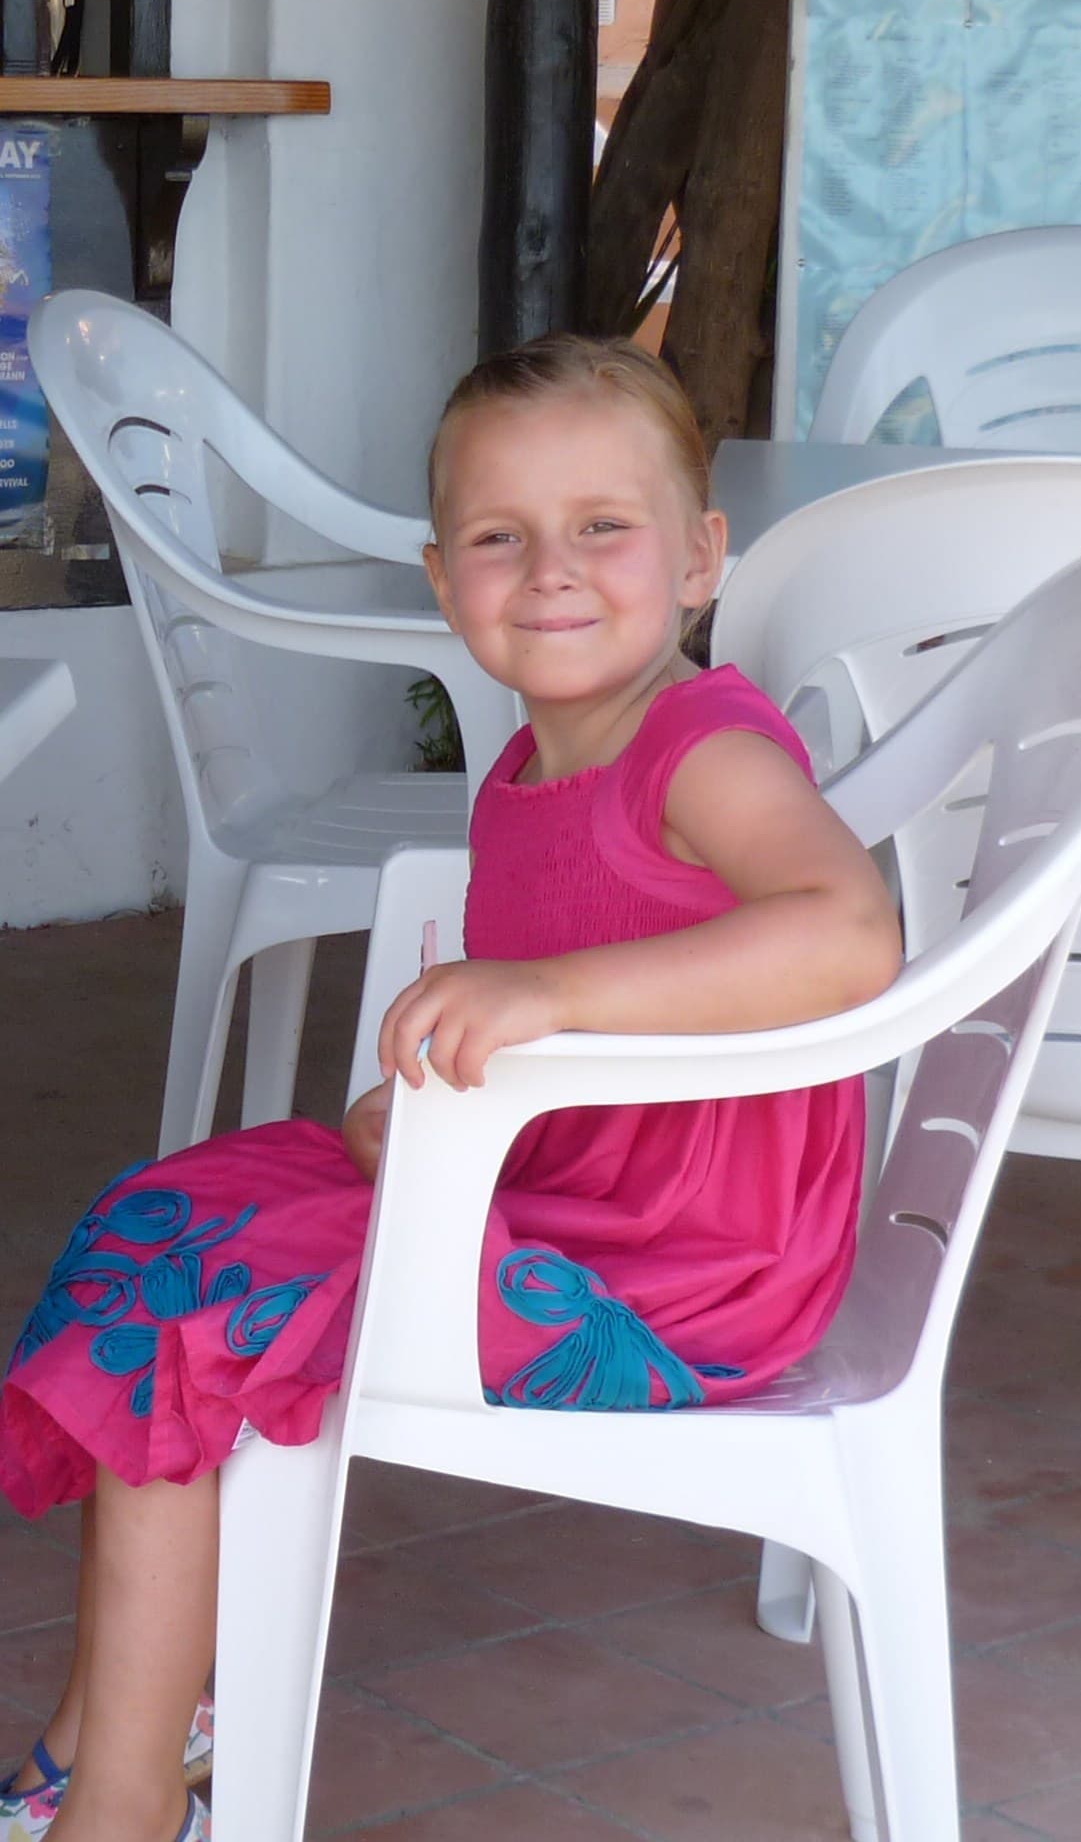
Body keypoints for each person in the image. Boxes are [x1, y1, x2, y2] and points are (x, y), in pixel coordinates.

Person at [0, 335, 902, 1842]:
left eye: (602, 526)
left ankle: (130, 1803)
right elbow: (554, 1052)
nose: (551, 569)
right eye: (500, 537)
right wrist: (427, 1105)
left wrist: (543, 993)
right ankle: (124, 1730)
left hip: (676, 1281)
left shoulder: (700, 751)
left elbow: (849, 932)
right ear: (443, 580)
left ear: (698, 558)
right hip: (567, 1201)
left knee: (200, 1314)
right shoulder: (528, 776)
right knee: (160, 1217)